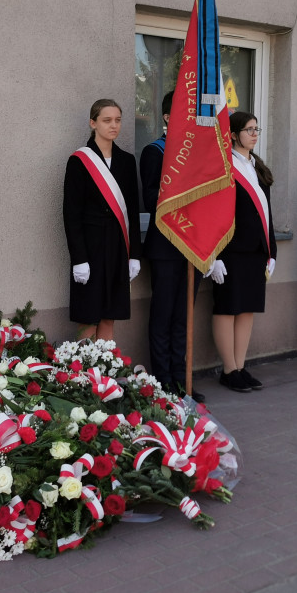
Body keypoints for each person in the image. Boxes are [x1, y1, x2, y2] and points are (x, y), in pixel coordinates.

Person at [140, 92, 203, 401]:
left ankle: (181, 378)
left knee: (184, 316)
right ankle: (162, 379)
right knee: (164, 314)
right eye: (183, 114)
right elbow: (150, 197)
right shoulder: (154, 151)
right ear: (167, 117)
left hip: (194, 244)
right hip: (166, 244)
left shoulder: (201, 155)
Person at [63, 98, 141, 341]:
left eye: (118, 120)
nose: (114, 125)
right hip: (91, 249)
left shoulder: (127, 161)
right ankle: (85, 376)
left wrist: (134, 254)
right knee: (89, 316)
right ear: (93, 123)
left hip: (118, 248)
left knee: (109, 314)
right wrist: (79, 259)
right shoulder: (79, 161)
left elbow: (133, 210)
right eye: (107, 120)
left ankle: (106, 376)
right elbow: (71, 213)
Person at [210, 111, 276, 393]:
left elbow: (267, 214)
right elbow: (212, 214)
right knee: (227, 308)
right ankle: (228, 369)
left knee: (247, 309)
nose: (254, 134)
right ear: (233, 134)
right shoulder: (223, 166)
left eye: (256, 129)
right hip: (229, 251)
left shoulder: (258, 168)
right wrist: (214, 257)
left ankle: (240, 365)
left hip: (255, 251)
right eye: (249, 129)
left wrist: (272, 251)